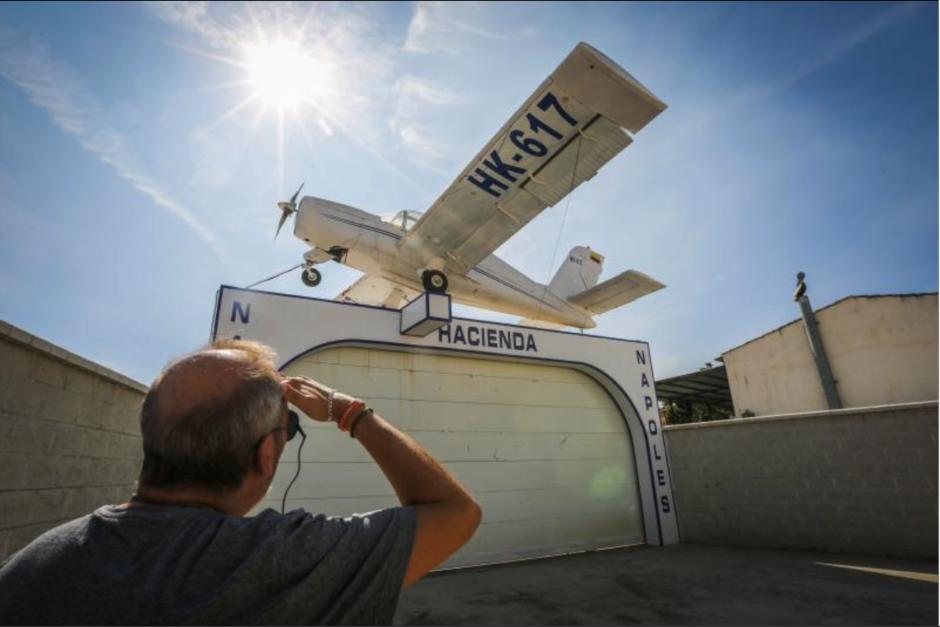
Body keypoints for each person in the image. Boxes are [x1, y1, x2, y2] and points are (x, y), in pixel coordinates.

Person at [0, 339, 481, 625]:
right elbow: (456, 512)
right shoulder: (287, 561)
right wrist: (351, 413)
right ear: (266, 453)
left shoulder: (31, 565)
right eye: (286, 432)